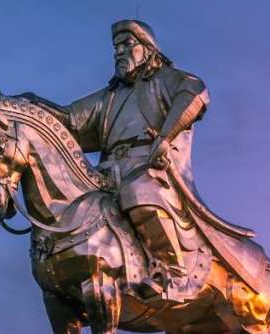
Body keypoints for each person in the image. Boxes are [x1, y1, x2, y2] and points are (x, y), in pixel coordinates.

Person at [25, 20, 210, 297]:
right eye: (116, 47)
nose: (119, 52)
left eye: (126, 44)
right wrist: (33, 106)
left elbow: (195, 92)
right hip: (108, 171)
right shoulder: (111, 96)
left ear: (147, 48)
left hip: (150, 167)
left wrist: (164, 138)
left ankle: (172, 269)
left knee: (138, 191)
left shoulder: (165, 79)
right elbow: (71, 120)